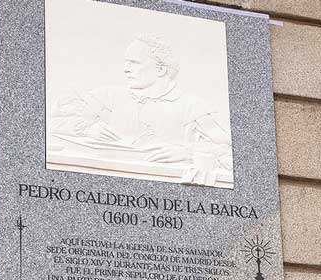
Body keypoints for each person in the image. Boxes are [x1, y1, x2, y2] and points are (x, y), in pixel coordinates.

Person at [48, 34, 234, 187]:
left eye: (134, 63)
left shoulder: (193, 107)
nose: (125, 69)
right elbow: (52, 123)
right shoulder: (107, 97)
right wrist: (87, 128)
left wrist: (188, 153)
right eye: (126, 62)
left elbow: (229, 149)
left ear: (160, 69)